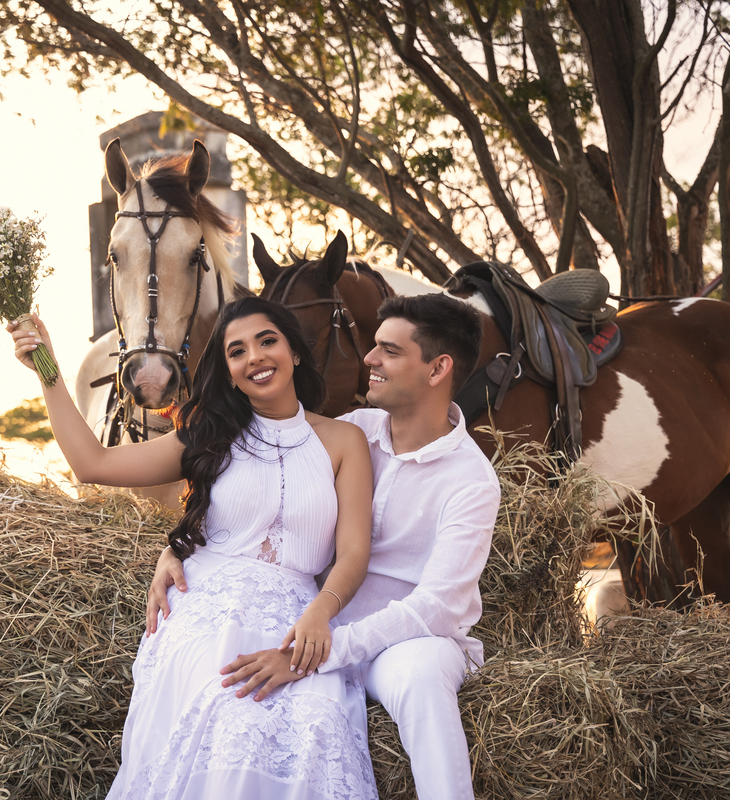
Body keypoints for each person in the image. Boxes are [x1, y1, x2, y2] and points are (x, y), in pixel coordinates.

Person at [8, 296, 379, 799]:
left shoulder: (345, 440)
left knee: (318, 727)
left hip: (300, 618)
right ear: (228, 372)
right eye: (237, 351)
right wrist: (46, 367)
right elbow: (92, 463)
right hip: (207, 611)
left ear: (294, 352)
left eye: (267, 341)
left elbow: (354, 550)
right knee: (232, 723)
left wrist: (321, 613)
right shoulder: (209, 436)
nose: (255, 358)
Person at [148, 293, 502, 800]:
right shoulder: (351, 431)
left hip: (399, 642)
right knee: (237, 705)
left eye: (389, 351)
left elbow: (438, 607)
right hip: (310, 623)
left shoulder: (472, 481)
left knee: (423, 678)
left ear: (438, 368)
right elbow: (259, 503)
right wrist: (181, 549)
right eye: (374, 348)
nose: (369, 360)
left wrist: (316, 655)